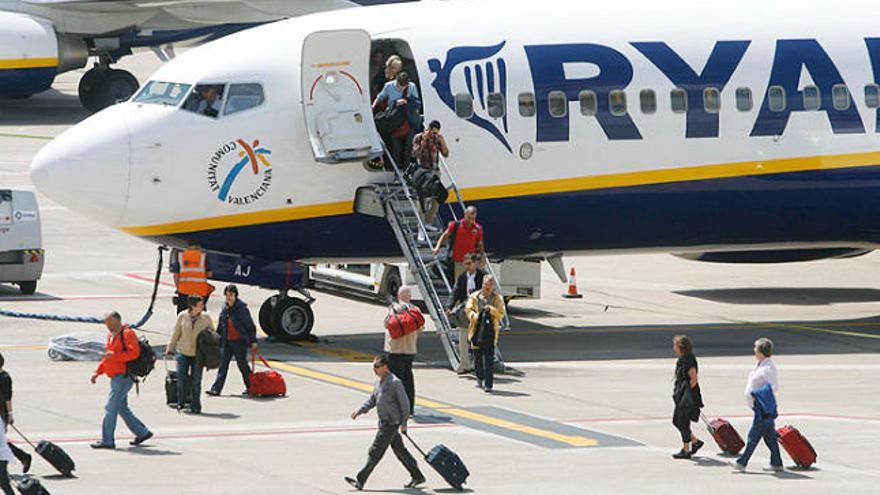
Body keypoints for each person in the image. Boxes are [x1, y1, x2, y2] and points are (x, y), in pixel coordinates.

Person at [345, 355, 425, 491]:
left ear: (385, 367)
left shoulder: (395, 383)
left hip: (391, 424)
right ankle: (417, 475)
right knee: (401, 451)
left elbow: (405, 405)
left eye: (377, 366)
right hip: (384, 423)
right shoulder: (378, 382)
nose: (374, 369)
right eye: (373, 366)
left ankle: (360, 480)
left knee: (374, 452)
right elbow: (372, 400)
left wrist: (404, 423)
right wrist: (359, 411)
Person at [90, 312, 153, 449]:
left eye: (111, 323)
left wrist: (115, 356)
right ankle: (142, 432)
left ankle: (107, 440)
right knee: (121, 408)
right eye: (107, 324)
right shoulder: (111, 336)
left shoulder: (128, 334)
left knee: (110, 408)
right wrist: (98, 371)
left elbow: (133, 353)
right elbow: (108, 357)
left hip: (123, 377)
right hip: (115, 376)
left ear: (118, 321)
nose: (108, 326)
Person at [730, 337, 783, 472]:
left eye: (756, 348)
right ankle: (776, 463)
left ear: (761, 351)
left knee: (753, 437)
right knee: (770, 437)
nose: (754, 350)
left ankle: (742, 462)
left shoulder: (768, 368)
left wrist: (756, 394)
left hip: (762, 407)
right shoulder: (761, 364)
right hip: (758, 407)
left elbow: (774, 387)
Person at [166, 296, 214, 414]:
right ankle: (181, 403)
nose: (202, 306)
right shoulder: (182, 316)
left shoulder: (206, 318)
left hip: (198, 355)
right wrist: (170, 348)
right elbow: (176, 333)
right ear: (193, 306)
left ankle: (196, 405)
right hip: (183, 353)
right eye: (200, 304)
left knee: (196, 381)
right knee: (182, 380)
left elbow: (213, 335)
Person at [208, 285, 257, 396]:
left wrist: (253, 341)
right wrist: (217, 339)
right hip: (227, 342)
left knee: (242, 365)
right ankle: (216, 389)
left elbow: (249, 326)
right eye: (227, 295)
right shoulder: (225, 309)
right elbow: (221, 325)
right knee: (223, 365)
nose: (229, 297)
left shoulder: (241, 309)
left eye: (231, 295)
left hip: (239, 342)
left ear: (235, 296)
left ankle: (252, 387)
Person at [384, 286, 423, 414]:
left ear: (399, 296)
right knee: (408, 379)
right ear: (409, 296)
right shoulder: (415, 310)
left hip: (395, 350)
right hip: (410, 349)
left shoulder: (394, 309)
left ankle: (398, 407)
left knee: (395, 381)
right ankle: (410, 407)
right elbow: (420, 328)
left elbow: (387, 325)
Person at [447, 253, 485, 375]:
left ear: (475, 263)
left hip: (479, 311)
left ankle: (479, 364)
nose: (467, 266)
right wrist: (449, 307)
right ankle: (465, 364)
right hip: (466, 311)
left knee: (478, 340)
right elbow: (455, 292)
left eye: (469, 264)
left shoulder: (483, 277)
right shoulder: (463, 277)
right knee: (463, 338)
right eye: (465, 264)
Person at [465, 276, 505, 393]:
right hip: (477, 332)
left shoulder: (497, 299)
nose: (487, 288)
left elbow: (501, 314)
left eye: (489, 286)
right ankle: (479, 376)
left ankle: (488, 384)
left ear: (493, 286)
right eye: (485, 285)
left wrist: (491, 309)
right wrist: (476, 316)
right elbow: (468, 310)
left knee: (489, 360)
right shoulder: (475, 297)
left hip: (490, 333)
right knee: (477, 358)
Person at [373, 71, 421, 167]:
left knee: (408, 148)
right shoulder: (388, 86)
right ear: (396, 81)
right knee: (396, 150)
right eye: (399, 86)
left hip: (408, 122)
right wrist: (373, 106)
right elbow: (380, 97)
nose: (401, 88)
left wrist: (406, 101)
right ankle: (397, 171)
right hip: (394, 122)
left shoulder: (412, 87)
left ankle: (407, 171)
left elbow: (417, 102)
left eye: (404, 86)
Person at [671, 335, 704, 459]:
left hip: (687, 397)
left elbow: (693, 379)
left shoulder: (689, 360)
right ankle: (695, 442)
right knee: (678, 421)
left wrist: (686, 396)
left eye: (675, 346)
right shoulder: (682, 359)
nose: (674, 348)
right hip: (682, 395)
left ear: (681, 347)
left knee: (682, 422)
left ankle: (686, 449)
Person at [412, 120, 450, 223]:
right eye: (432, 132)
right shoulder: (418, 138)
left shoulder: (437, 139)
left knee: (438, 198)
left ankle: (428, 221)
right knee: (422, 199)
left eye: (436, 133)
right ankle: (420, 224)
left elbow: (446, 154)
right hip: (424, 173)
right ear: (428, 129)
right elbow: (415, 154)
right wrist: (423, 142)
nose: (433, 135)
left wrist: (442, 142)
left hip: (435, 173)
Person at [433, 205, 485, 281]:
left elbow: (480, 244)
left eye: (473, 219)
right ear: (465, 214)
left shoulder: (478, 228)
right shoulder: (455, 225)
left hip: (470, 261)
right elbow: (444, 236)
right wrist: (437, 247)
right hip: (458, 262)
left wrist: (482, 257)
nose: (470, 221)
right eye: (469, 218)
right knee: (460, 283)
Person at [0, 354, 31, 473]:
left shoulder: (4, 378)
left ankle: (5, 468)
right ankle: (23, 456)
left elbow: (8, 398)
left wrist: (10, 414)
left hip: (2, 413)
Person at [173, 242, 214, 314]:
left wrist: (178, 288)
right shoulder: (203, 255)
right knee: (200, 318)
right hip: (200, 292)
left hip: (184, 291)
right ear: (198, 245)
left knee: (183, 316)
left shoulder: (181, 255)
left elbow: (176, 275)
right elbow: (209, 274)